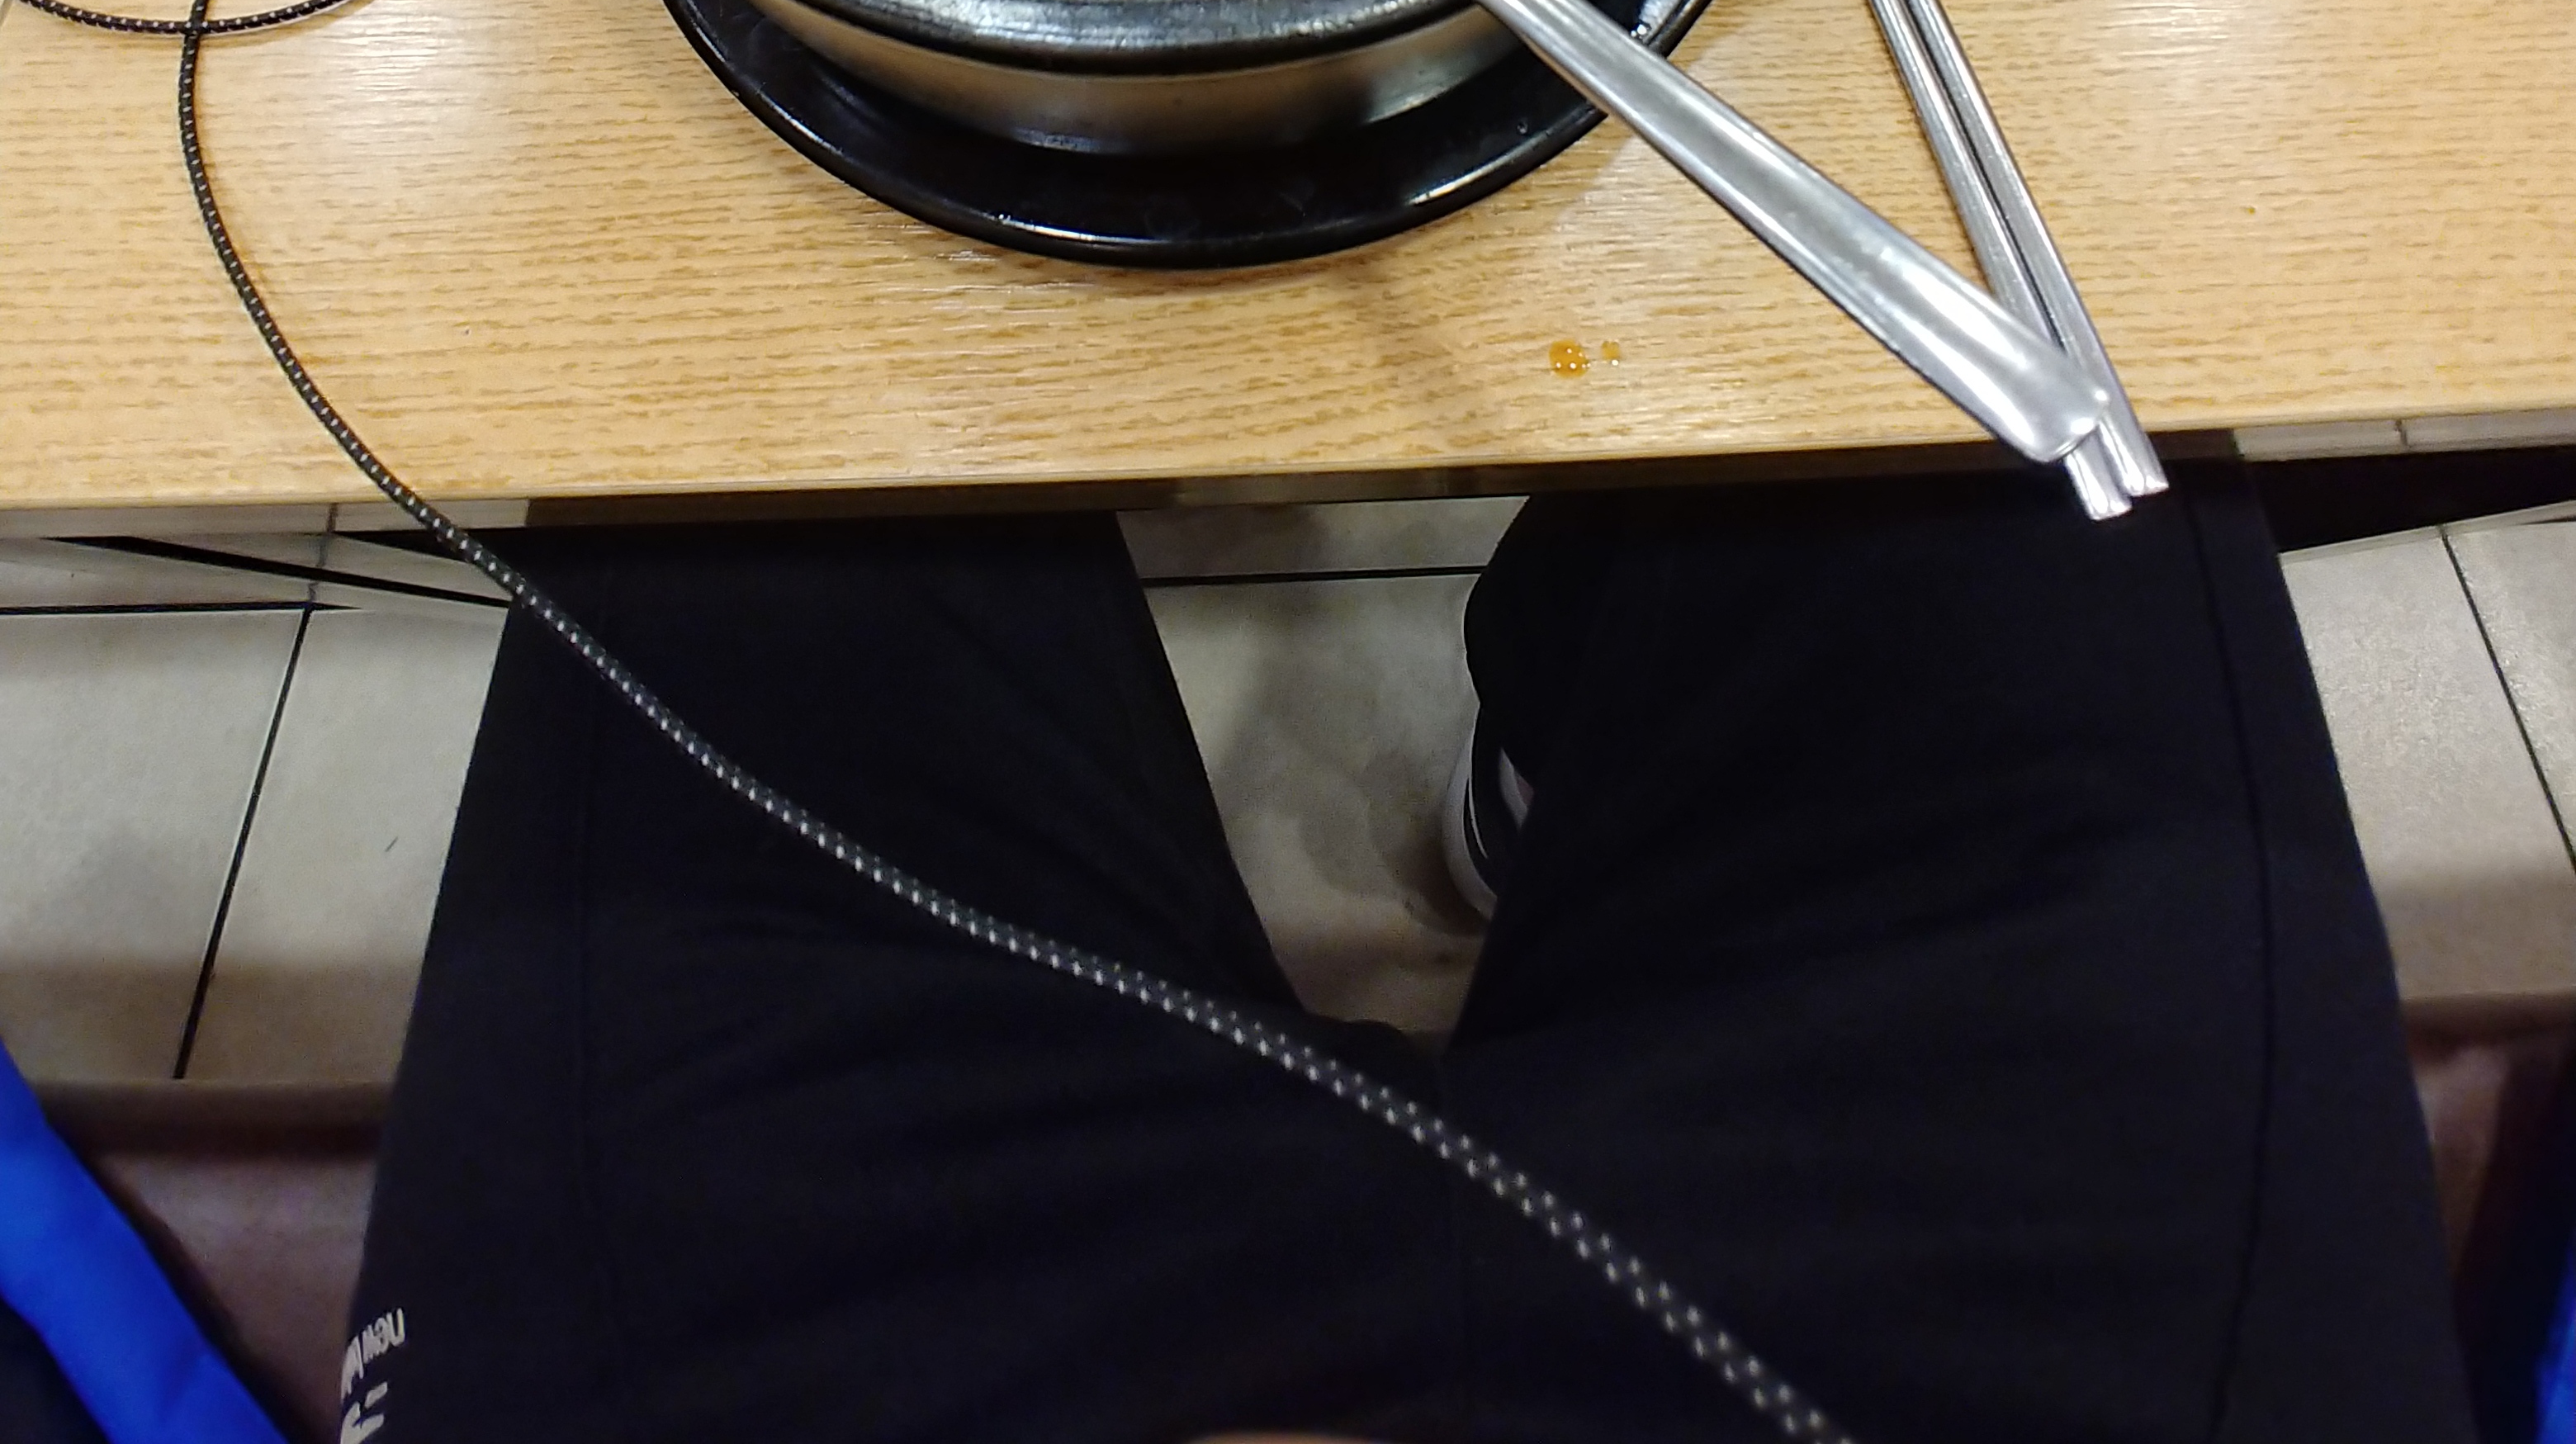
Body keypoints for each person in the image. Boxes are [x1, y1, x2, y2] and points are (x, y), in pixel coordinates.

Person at [342, 465, 2474, 1442]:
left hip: (771, 1364)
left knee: (757, 395)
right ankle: (1562, 774)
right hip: (2037, 1372)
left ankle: (1570, 790)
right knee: (2009, 401)